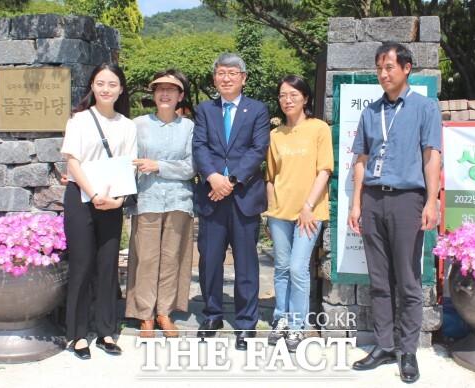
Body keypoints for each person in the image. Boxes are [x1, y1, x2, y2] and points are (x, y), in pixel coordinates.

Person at [347, 42, 441, 383]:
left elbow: (431, 157)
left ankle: (408, 351)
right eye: (379, 68)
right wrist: (357, 203)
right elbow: (360, 160)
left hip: (407, 200)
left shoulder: (425, 107)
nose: (383, 74)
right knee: (379, 280)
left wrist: (431, 201)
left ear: (406, 68)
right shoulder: (370, 112)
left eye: (389, 67)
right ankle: (384, 345)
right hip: (373, 199)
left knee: (408, 280)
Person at [192, 53, 270, 350]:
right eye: (221, 73)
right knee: (210, 261)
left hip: (244, 197)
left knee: (247, 264)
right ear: (214, 78)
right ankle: (212, 315)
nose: (226, 78)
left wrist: (231, 180)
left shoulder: (258, 110)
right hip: (212, 197)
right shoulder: (205, 110)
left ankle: (246, 322)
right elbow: (199, 146)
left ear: (243, 77)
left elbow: (258, 149)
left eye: (232, 72)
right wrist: (213, 177)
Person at [61, 63, 137, 360]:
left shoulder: (127, 125)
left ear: (120, 89)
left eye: (112, 84)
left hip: (113, 202)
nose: (106, 89)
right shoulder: (79, 120)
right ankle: (78, 334)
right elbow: (73, 162)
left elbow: (128, 165)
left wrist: (117, 200)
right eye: (100, 83)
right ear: (92, 86)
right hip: (81, 200)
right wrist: (93, 194)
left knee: (108, 266)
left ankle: (106, 330)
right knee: (81, 265)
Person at [125, 69, 195, 338]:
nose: (165, 93)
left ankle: (164, 312)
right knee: (147, 258)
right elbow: (128, 161)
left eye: (171, 89)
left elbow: (192, 167)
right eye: (160, 89)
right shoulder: (138, 124)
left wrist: (159, 165)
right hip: (148, 199)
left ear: (180, 96)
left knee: (171, 258)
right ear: (154, 94)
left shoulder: (189, 127)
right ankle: (145, 314)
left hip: (179, 200)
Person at [265, 75, 333, 352]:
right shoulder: (275, 134)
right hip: (279, 212)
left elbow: (324, 171)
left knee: (297, 268)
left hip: (310, 211)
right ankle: (280, 319)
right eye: (282, 95)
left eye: (293, 94)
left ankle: (297, 326)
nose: (287, 100)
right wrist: (270, 210)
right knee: (281, 268)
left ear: (305, 98)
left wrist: (308, 207)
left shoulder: (319, 128)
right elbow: (271, 177)